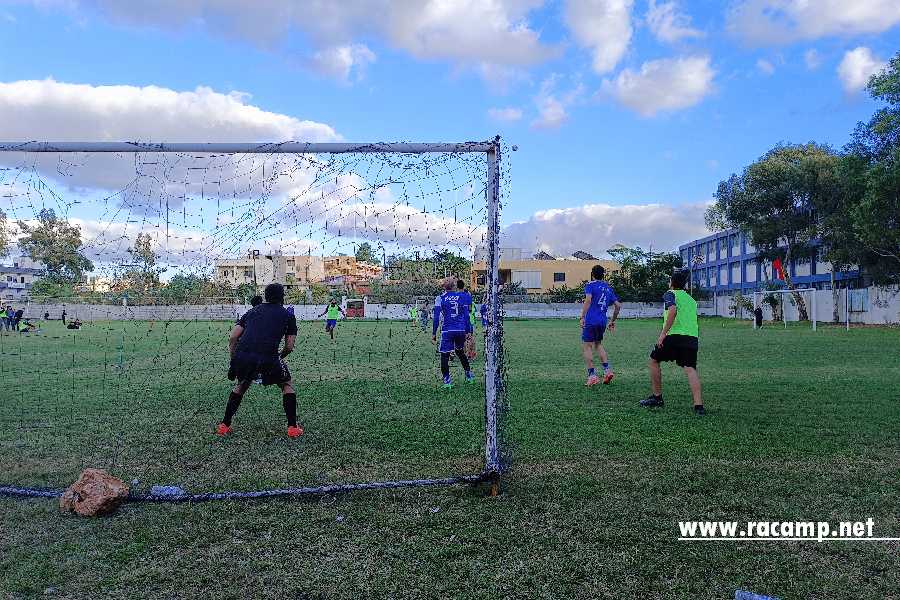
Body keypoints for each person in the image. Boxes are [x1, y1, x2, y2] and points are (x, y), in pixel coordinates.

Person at [218, 283, 302, 438]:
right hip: (268, 357)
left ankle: (224, 425)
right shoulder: (288, 315)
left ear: (266, 296)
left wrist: (234, 360)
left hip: (243, 357)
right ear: (282, 297)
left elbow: (233, 338)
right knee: (286, 384)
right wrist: (278, 357)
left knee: (242, 385)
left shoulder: (251, 311)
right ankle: (292, 428)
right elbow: (289, 346)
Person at [641, 270, 704, 415]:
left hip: (674, 335)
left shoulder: (670, 293)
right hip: (691, 337)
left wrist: (663, 334)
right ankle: (698, 406)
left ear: (672, 283)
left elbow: (673, 310)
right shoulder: (691, 300)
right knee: (690, 368)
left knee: (653, 360)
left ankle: (657, 398)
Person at [580, 265, 622, 386]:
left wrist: (582, 316)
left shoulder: (590, 285)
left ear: (592, 274)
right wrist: (612, 321)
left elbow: (588, 300)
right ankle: (607, 371)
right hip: (602, 321)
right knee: (598, 344)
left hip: (591, 320)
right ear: (603, 275)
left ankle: (592, 376)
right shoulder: (608, 288)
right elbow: (618, 305)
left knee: (587, 346)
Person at [432, 278, 474, 388]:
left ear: (443, 287)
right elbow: (466, 315)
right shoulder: (462, 297)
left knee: (444, 355)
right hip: (460, 330)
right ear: (454, 286)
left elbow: (436, 317)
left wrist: (434, 333)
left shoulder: (440, 298)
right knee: (460, 352)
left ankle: (447, 382)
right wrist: (468, 331)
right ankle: (469, 375)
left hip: (447, 330)